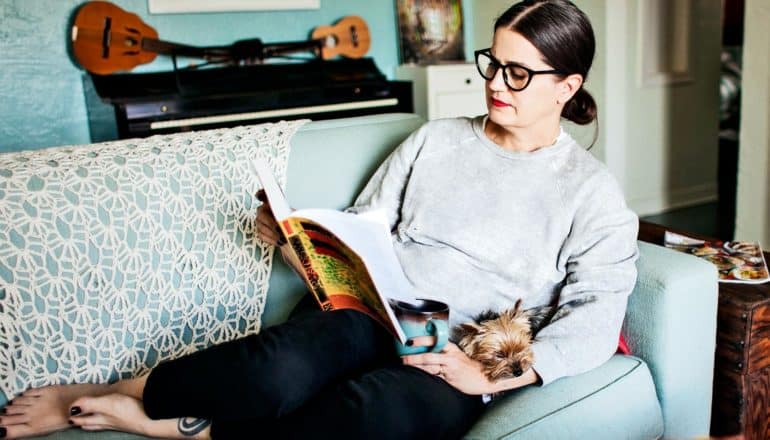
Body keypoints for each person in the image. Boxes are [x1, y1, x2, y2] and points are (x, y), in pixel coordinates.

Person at [0, 1, 638, 438]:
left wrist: (492, 373)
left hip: (459, 352)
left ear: (566, 85)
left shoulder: (591, 193)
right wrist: (299, 241)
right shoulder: (436, 140)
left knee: (363, 419)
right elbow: (364, 226)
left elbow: (595, 318)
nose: (498, 83)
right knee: (275, 368)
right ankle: (119, 390)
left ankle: (155, 424)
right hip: (370, 314)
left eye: (520, 73)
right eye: (493, 63)